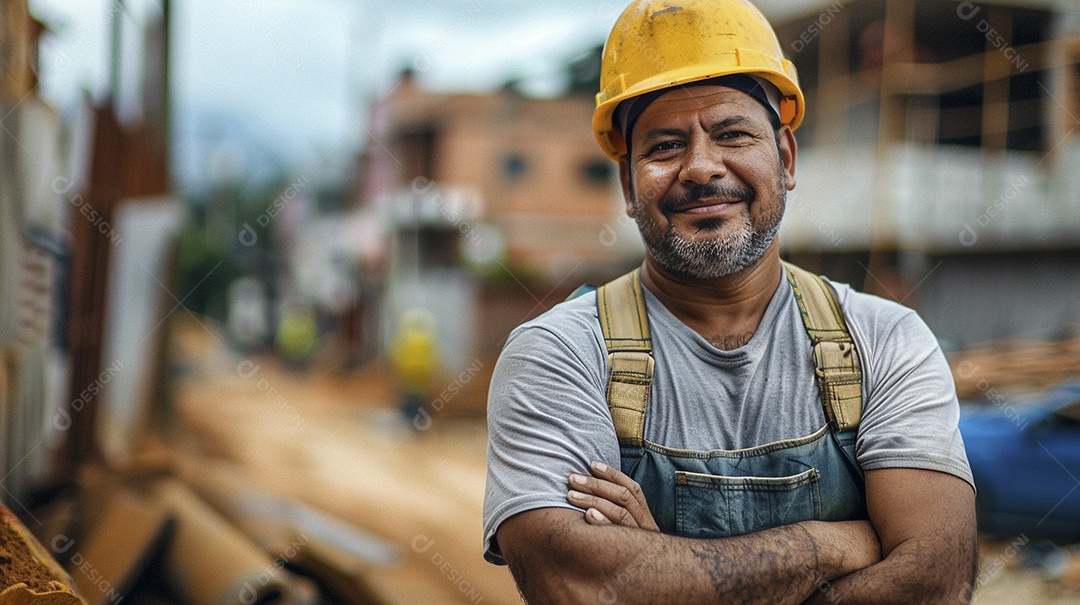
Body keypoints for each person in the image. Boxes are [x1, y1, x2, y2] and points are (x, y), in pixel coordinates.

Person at [482, 0, 977, 603]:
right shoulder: (559, 357)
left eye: (732, 134)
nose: (700, 167)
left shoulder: (887, 340)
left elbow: (935, 579)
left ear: (786, 158)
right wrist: (828, 546)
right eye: (665, 146)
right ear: (627, 187)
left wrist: (659, 564)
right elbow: (581, 584)